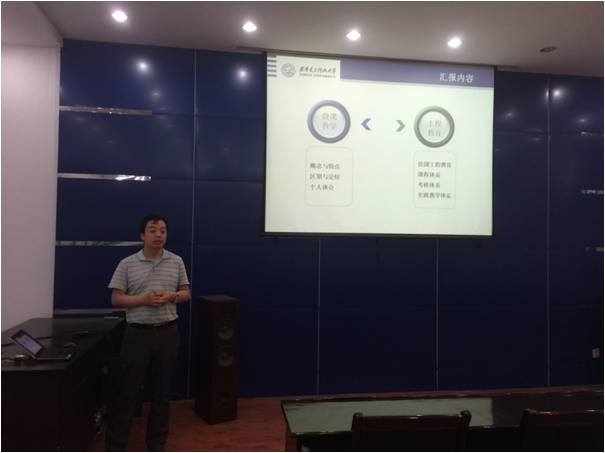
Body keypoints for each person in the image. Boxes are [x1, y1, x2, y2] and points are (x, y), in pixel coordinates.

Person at [106, 214, 191, 452]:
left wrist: (172, 296)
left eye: (163, 230)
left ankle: (156, 444)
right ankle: (116, 445)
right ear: (142, 235)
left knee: (162, 394)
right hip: (137, 334)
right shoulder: (127, 263)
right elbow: (116, 299)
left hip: (167, 333)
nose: (158, 235)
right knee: (127, 392)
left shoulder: (176, 261)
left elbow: (186, 293)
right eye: (153, 230)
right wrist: (143, 300)